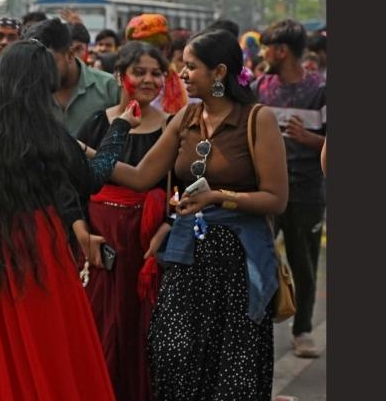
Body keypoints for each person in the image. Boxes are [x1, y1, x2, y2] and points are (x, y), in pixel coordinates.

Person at [0, 39, 140, 400]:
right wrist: (120, 128)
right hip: (35, 242)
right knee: (44, 342)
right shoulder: (48, 135)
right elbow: (92, 178)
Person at [108, 28, 288, 401]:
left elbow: (276, 198)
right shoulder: (185, 117)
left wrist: (218, 197)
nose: (182, 73)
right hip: (187, 261)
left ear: (219, 72)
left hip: (238, 265)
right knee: (172, 356)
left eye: (190, 66)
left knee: (233, 373)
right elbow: (141, 176)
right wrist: (88, 155)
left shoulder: (258, 119)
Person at [76, 42, 175, 401]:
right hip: (99, 239)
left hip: (146, 242)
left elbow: (177, 188)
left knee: (139, 326)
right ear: (120, 76)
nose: (149, 80)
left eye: (156, 73)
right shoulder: (98, 122)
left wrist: (167, 226)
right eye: (140, 72)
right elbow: (76, 185)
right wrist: (83, 232)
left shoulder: (171, 126)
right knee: (99, 324)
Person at [255, 19, 326, 358]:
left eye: (269, 46)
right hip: (266, 191)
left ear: (282, 51)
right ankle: (256, 326)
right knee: (258, 259)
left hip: (307, 192)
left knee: (304, 262)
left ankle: (303, 330)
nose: (264, 53)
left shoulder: (321, 90)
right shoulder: (260, 87)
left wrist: (309, 139)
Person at [29, 17, 120, 136]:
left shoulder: (109, 87)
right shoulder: (29, 90)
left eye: (49, 61)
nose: (42, 69)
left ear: (70, 55)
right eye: (36, 63)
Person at [125, 13, 188, 114]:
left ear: (167, 49)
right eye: (143, 49)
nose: (151, 55)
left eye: (159, 48)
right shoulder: (119, 80)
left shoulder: (182, 83)